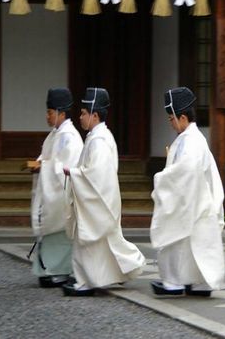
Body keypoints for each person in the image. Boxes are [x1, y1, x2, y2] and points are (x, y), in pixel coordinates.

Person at [62, 87, 146, 296]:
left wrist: (73, 173)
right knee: (104, 243)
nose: (80, 117)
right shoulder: (98, 137)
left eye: (83, 113)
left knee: (91, 242)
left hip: (98, 199)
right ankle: (97, 277)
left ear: (95, 115)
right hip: (101, 199)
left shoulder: (99, 141)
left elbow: (96, 175)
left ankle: (87, 282)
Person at [150, 87, 225, 296]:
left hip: (192, 201)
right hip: (193, 201)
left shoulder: (191, 140)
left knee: (181, 244)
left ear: (183, 117)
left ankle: (177, 283)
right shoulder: (190, 138)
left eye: (171, 118)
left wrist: (162, 177)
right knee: (192, 246)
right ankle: (193, 283)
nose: (170, 123)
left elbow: (186, 172)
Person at [30, 87, 83, 288]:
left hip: (61, 195)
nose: (47, 116)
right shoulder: (56, 135)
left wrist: (43, 166)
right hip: (52, 192)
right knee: (52, 234)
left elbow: (64, 168)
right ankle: (48, 269)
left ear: (61, 113)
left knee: (60, 233)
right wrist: (40, 164)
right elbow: (48, 159)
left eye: (50, 112)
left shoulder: (69, 136)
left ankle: (60, 270)